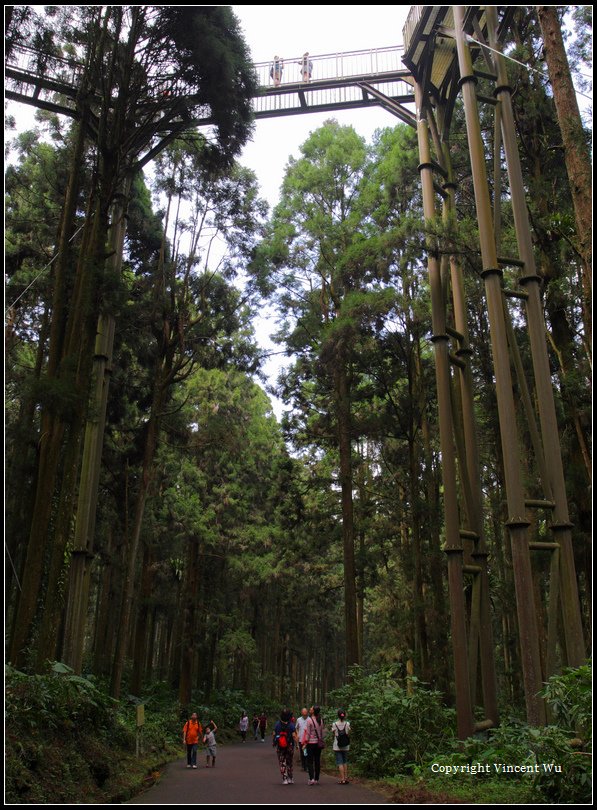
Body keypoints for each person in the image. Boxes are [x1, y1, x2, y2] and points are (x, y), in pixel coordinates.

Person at [301, 704, 325, 785]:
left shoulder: (309, 720)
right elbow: (322, 732)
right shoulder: (320, 720)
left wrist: (305, 743)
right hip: (318, 744)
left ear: (313, 711)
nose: (310, 709)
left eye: (311, 708)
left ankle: (311, 779)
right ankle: (316, 779)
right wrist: (321, 740)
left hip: (311, 744)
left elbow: (307, 733)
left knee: (310, 761)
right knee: (317, 761)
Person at [272, 708, 297, 785]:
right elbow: (294, 736)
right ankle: (290, 778)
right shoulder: (291, 725)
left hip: (280, 746)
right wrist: (297, 745)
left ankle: (284, 779)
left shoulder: (277, 724)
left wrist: (274, 742)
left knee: (282, 762)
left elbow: (273, 734)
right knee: (289, 762)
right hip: (289, 746)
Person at [331, 709, 351, 784]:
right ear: (344, 715)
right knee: (345, 762)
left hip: (337, 746)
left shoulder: (334, 724)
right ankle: (346, 778)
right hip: (345, 745)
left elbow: (333, 732)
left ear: (338, 716)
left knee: (340, 762)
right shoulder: (347, 724)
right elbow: (349, 733)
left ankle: (342, 779)